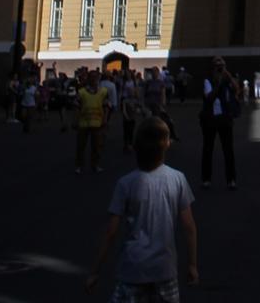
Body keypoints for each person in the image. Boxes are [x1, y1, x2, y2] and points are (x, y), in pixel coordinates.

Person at [85, 117, 198, 301]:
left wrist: (95, 270)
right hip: (164, 269)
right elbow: (189, 226)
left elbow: (110, 232)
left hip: (133, 269)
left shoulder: (125, 184)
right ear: (167, 144)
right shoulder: (178, 179)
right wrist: (192, 264)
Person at [197, 58, 241, 190]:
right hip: (210, 119)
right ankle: (206, 179)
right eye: (218, 67)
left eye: (222, 66)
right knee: (208, 149)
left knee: (228, 150)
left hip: (225, 119)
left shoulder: (227, 80)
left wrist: (227, 75)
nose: (220, 69)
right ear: (213, 68)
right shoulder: (208, 81)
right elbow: (209, 97)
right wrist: (219, 83)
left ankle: (231, 180)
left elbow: (237, 89)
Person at [76, 70, 112, 174]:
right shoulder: (82, 91)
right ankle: (79, 165)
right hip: (84, 122)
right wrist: (75, 119)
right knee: (81, 145)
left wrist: (105, 119)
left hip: (97, 122)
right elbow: (76, 107)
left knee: (96, 146)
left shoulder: (103, 91)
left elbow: (106, 106)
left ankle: (95, 164)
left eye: (95, 77)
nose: (93, 79)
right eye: (91, 77)